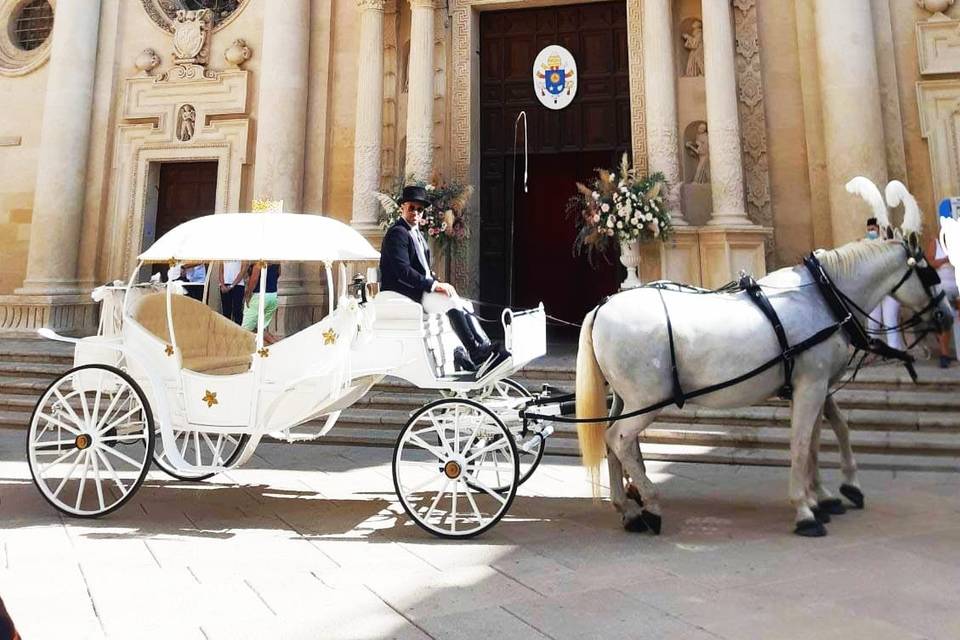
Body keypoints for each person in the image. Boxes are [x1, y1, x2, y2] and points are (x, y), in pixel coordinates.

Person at [379, 185, 507, 371]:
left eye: (419, 209)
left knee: (465, 304)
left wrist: (438, 283)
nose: (415, 212)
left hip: (419, 289)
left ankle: (482, 347)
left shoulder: (417, 234)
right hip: (404, 292)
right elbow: (402, 271)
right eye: (411, 208)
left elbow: (423, 269)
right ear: (402, 208)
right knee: (450, 302)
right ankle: (476, 353)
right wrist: (433, 286)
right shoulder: (398, 233)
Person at [864, 217, 905, 350]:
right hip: (874, 290)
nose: (871, 232)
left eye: (873, 229)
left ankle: (895, 350)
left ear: (879, 229)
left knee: (890, 320)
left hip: (889, 290)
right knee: (872, 322)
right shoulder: (865, 246)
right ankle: (874, 350)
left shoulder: (890, 244)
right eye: (869, 229)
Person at [928, 224, 960, 368]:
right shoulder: (935, 243)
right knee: (945, 321)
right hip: (942, 289)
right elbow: (929, 263)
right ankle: (944, 355)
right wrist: (946, 260)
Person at [242, 261, 281, 345]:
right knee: (260, 328)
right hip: (273, 295)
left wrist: (248, 295)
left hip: (259, 295)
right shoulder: (276, 261)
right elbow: (279, 273)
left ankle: (241, 353)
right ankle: (277, 345)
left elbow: (254, 278)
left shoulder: (259, 260)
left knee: (245, 330)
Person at [219, 260, 246, 324]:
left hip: (238, 285)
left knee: (237, 310)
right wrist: (222, 284)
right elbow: (220, 270)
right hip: (225, 284)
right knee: (226, 311)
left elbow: (243, 270)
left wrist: (232, 285)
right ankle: (226, 331)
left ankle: (239, 331)